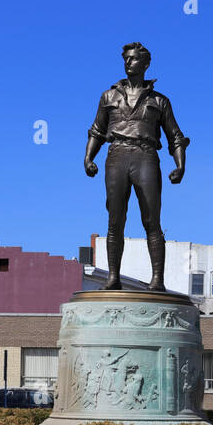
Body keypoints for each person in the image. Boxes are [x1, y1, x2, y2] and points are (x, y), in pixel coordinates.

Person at [84, 42, 190, 291]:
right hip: (117, 155)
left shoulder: (160, 101)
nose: (128, 63)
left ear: (145, 64)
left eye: (133, 59)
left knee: (151, 220)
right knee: (115, 220)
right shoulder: (108, 97)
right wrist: (89, 158)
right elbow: (97, 130)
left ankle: (157, 280)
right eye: (126, 59)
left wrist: (180, 165)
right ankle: (113, 277)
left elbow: (175, 136)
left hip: (146, 156)